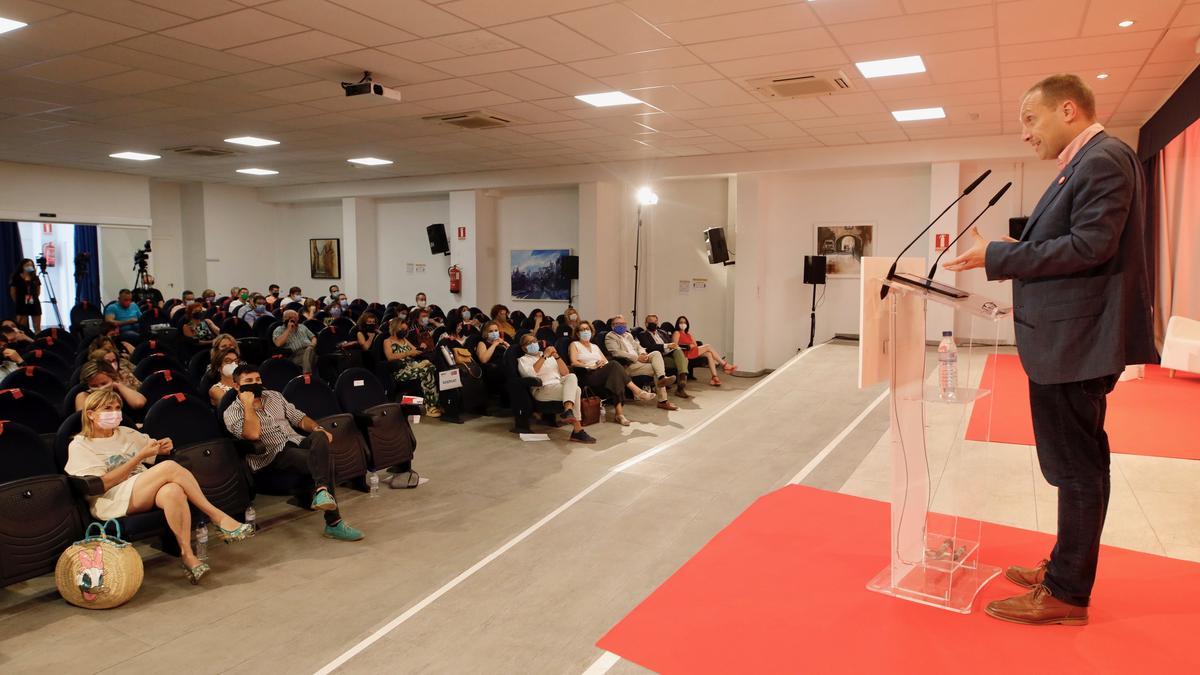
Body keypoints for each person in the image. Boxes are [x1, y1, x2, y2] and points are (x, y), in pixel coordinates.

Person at [941, 74, 1158, 626]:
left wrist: (1002, 255)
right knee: (1076, 464)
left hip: (1076, 341)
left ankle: (1066, 593)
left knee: (1078, 469)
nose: (1024, 134)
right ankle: (1064, 567)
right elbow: (1078, 243)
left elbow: (1090, 246)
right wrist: (1010, 250)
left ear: (1068, 109)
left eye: (1030, 119)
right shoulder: (1088, 162)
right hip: (1069, 339)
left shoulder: (1103, 159)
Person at [67, 389, 252, 584]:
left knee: (173, 491)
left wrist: (165, 447)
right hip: (110, 498)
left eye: (117, 408)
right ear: (91, 414)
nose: (114, 413)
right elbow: (100, 485)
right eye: (107, 408)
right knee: (170, 467)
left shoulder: (127, 433)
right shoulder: (80, 445)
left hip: (140, 488)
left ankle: (187, 555)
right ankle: (217, 515)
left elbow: (156, 454)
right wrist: (139, 457)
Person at [223, 365, 363, 541]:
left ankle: (320, 491)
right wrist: (248, 406)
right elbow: (252, 434)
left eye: (258, 380)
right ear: (236, 386)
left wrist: (317, 428)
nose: (255, 384)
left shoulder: (274, 396)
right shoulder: (232, 412)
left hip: (296, 441)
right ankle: (333, 523)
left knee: (319, 435)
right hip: (272, 454)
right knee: (320, 461)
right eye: (248, 382)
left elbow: (299, 418)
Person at [570, 321, 655, 426]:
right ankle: (637, 391)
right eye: (582, 330)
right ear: (578, 333)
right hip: (587, 374)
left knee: (616, 376)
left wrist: (601, 363)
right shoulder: (575, 345)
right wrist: (590, 366)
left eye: (587, 329)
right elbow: (574, 362)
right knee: (614, 365)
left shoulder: (595, 346)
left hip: (600, 371)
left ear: (591, 332)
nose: (585, 331)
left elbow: (605, 361)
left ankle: (619, 414)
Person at [517, 333, 595, 443]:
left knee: (571, 376)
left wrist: (556, 356)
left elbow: (565, 372)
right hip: (542, 389)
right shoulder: (523, 360)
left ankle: (568, 411)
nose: (533, 344)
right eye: (529, 343)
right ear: (523, 347)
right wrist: (544, 356)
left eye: (535, 341)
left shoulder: (548, 356)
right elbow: (531, 374)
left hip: (558, 384)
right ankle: (577, 430)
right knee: (577, 390)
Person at [605, 315, 678, 410]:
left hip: (639, 360)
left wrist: (643, 353)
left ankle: (662, 378)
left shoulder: (628, 335)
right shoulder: (610, 336)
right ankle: (663, 401)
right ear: (612, 326)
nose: (621, 326)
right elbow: (616, 352)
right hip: (628, 365)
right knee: (657, 369)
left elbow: (638, 346)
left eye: (623, 324)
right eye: (618, 324)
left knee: (656, 353)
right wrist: (636, 358)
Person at [382, 318, 441, 417]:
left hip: (413, 365)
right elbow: (390, 357)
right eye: (402, 329)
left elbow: (415, 351)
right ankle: (430, 406)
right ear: (395, 328)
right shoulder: (387, 341)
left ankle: (436, 402)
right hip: (401, 370)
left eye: (405, 330)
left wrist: (421, 347)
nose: (404, 332)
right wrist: (407, 353)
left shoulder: (404, 339)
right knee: (426, 371)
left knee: (432, 367)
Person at [673, 315, 735, 387]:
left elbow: (695, 345)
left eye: (684, 322)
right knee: (708, 346)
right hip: (685, 352)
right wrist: (688, 346)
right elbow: (675, 345)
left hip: (692, 351)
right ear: (678, 324)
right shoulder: (677, 333)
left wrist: (692, 345)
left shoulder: (688, 334)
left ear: (687, 324)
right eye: (681, 322)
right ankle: (724, 365)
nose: (683, 324)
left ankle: (714, 377)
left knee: (709, 354)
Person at [640, 314, 690, 398]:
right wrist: (666, 346)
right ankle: (681, 387)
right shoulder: (642, 334)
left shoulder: (662, 332)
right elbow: (649, 348)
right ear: (646, 323)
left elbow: (671, 344)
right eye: (650, 322)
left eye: (655, 322)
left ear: (657, 322)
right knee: (683, 361)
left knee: (678, 350)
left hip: (668, 354)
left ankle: (681, 381)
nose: (653, 323)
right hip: (657, 357)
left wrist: (673, 346)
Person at [74, 359, 146, 412]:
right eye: (94, 386)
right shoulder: (83, 396)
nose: (100, 389)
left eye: (104, 383)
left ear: (112, 378)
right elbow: (84, 419)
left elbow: (139, 403)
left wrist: (118, 385)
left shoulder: (119, 390)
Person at [475, 320, 509, 404]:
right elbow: (483, 359)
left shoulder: (502, 344)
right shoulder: (482, 343)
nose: (494, 333)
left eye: (496, 330)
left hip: (506, 366)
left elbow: (511, 355)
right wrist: (494, 344)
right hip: (492, 370)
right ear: (485, 333)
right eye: (491, 331)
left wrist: (506, 345)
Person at [9, 258, 42, 332]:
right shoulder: (16, 277)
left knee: (37, 327)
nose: (29, 267)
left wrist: (33, 298)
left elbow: (38, 291)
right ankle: (23, 342)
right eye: (27, 265)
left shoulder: (35, 277)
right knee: (21, 327)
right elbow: (13, 293)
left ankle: (37, 341)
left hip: (34, 302)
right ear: (22, 266)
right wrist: (18, 302)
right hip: (21, 302)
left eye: (31, 265)